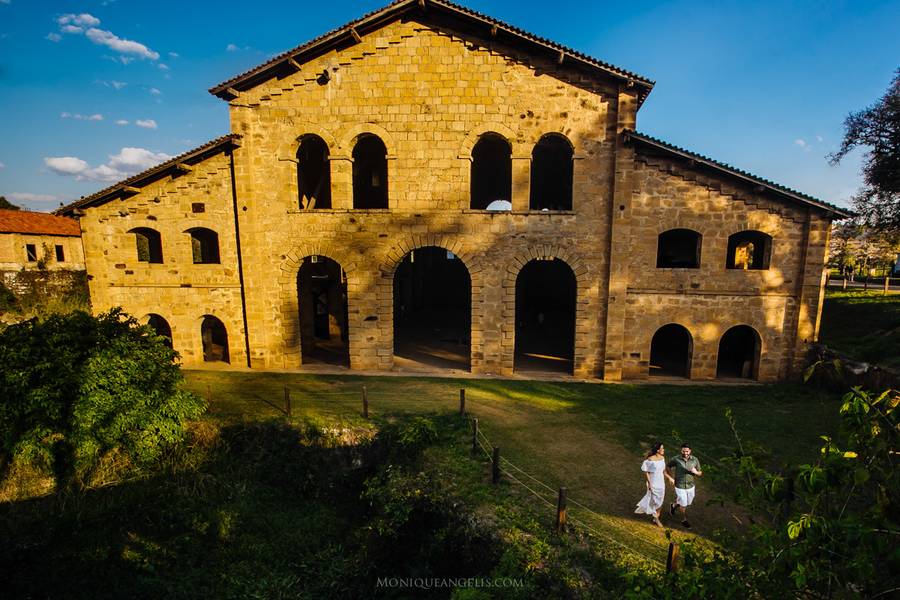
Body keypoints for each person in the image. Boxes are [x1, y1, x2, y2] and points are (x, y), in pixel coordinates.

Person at [635, 441, 675, 527]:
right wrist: (649, 484)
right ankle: (656, 518)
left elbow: (663, 472)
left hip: (661, 484)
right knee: (654, 501)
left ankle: (656, 518)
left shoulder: (662, 458)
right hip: (653, 484)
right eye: (662, 448)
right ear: (657, 450)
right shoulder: (649, 461)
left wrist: (670, 478)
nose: (664, 450)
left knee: (660, 501)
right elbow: (647, 473)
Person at [667, 442, 703, 528]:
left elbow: (700, 473)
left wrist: (696, 472)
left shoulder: (695, 460)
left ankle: (674, 505)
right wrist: (671, 477)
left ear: (690, 451)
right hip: (679, 485)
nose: (685, 453)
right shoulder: (676, 459)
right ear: (681, 450)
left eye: (687, 451)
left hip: (691, 486)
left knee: (688, 502)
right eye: (683, 451)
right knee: (683, 504)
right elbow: (668, 466)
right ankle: (684, 520)